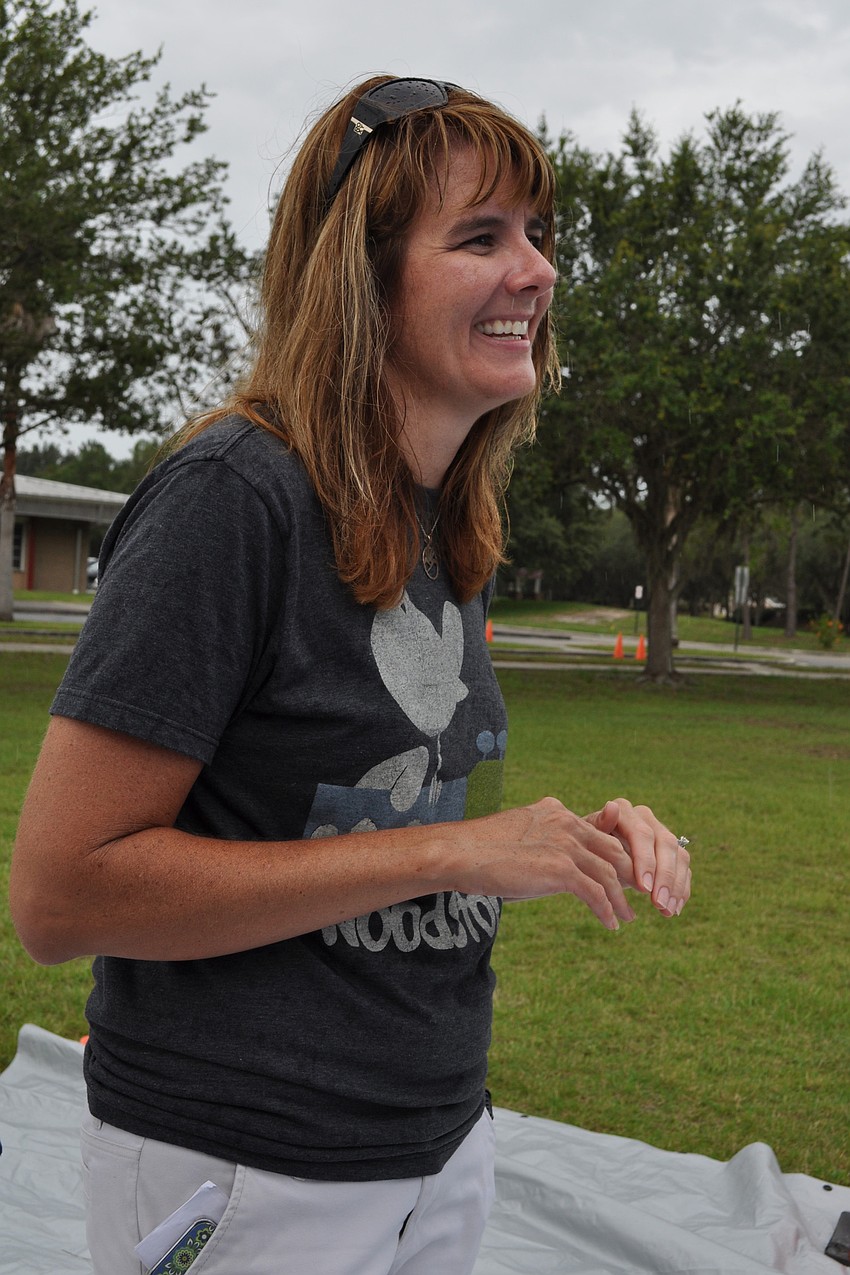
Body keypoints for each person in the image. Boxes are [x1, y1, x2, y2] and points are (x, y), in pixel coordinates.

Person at [10, 76, 691, 1275]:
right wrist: (461, 849)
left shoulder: (445, 521)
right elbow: (63, 897)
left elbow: (382, 811)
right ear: (358, 279)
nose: (534, 270)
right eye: (480, 237)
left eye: (537, 234)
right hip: (245, 1171)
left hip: (434, 1149)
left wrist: (561, 841)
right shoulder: (235, 499)